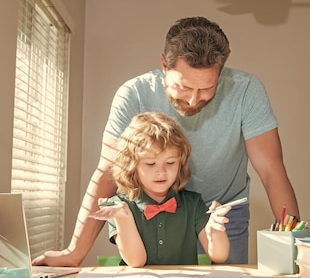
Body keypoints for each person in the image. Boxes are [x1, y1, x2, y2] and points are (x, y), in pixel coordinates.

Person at [32, 16, 299, 266]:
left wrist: (296, 248)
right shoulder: (133, 93)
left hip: (221, 212)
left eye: (207, 88)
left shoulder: (247, 90)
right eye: (183, 87)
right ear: (164, 65)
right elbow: (108, 171)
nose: (194, 100)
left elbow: (271, 170)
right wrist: (74, 253)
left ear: (221, 72)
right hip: (153, 211)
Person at [88, 112, 230, 267]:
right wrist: (124, 218)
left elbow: (219, 256)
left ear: (180, 163)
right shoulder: (119, 207)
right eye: (150, 164)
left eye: (170, 163)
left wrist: (215, 229)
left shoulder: (193, 204)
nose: (161, 171)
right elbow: (136, 261)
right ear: (131, 166)